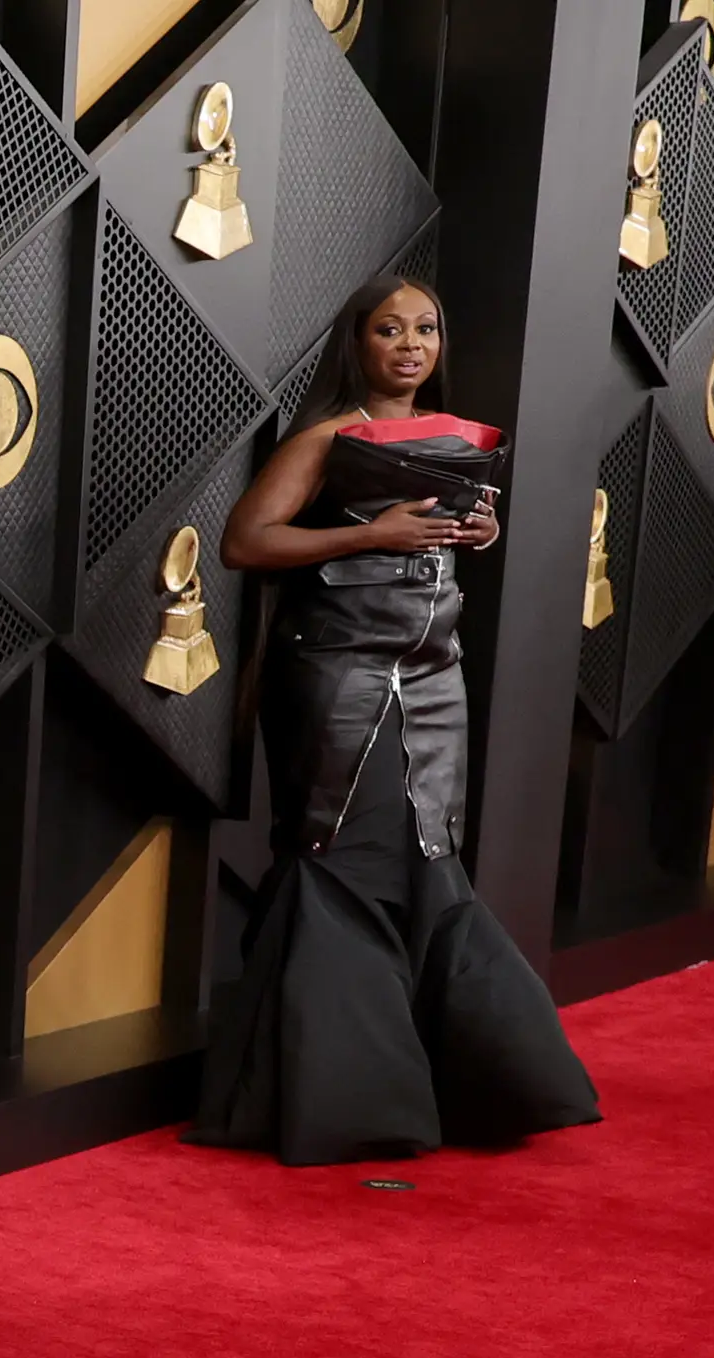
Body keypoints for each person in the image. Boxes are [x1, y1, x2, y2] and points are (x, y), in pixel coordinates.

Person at [189, 273, 601, 1164]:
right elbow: (244, 542)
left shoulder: (454, 441)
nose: (410, 345)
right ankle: (345, 1102)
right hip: (337, 679)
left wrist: (475, 533)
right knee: (345, 854)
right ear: (358, 344)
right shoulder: (327, 438)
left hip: (434, 673)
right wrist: (368, 536)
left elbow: (437, 550)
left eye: (425, 329)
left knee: (429, 857)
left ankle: (462, 1085)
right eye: (388, 330)